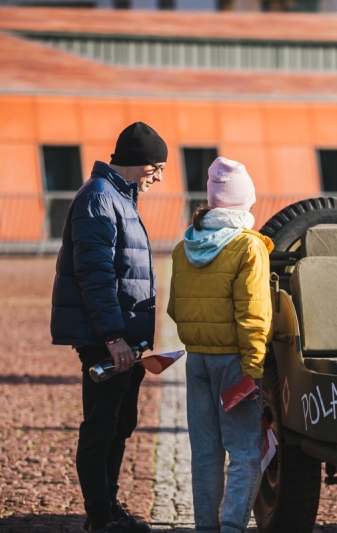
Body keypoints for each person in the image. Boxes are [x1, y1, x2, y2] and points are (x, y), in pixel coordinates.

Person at [51, 122, 167, 533]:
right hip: (109, 338)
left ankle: (108, 507)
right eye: (157, 168)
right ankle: (100, 517)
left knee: (119, 423)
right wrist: (113, 337)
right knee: (101, 426)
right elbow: (95, 275)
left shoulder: (117, 197)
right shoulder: (100, 198)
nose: (159, 177)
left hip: (124, 337)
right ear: (139, 164)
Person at [167, 157, 273, 533]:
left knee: (206, 452)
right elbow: (254, 315)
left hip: (197, 362)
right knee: (245, 451)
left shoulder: (185, 247)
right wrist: (254, 368)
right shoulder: (249, 247)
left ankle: (205, 527)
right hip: (234, 365)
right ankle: (231, 527)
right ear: (245, 201)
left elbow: (174, 309)